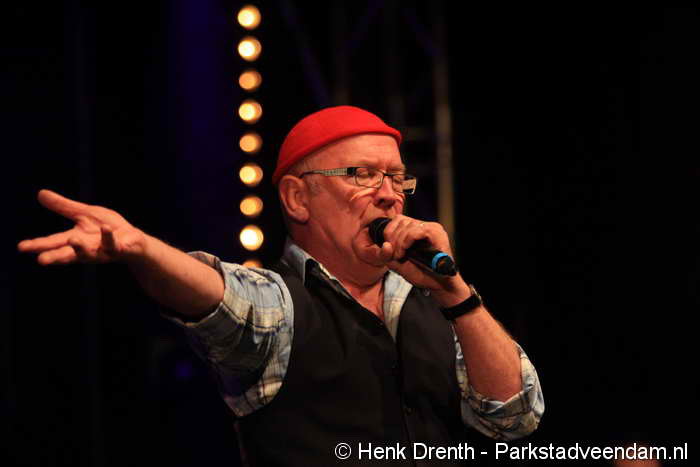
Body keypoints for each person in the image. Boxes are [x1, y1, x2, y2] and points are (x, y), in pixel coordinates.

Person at [18, 105, 544, 466]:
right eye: (362, 174)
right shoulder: (282, 301)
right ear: (297, 198)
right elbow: (219, 293)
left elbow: (516, 421)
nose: (388, 195)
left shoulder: (439, 307)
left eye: (396, 178)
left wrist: (455, 295)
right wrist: (141, 247)